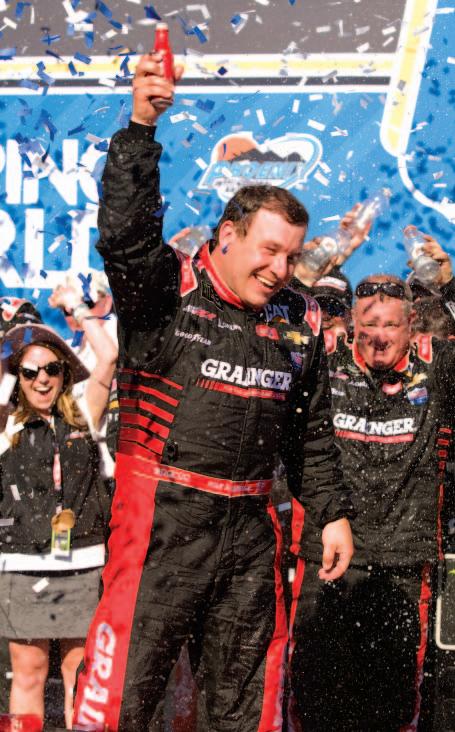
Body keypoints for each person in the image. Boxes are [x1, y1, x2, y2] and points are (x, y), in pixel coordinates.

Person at [73, 50, 354, 732]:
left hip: (252, 531)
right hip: (161, 521)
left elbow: (311, 432)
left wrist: (330, 514)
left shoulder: (299, 317)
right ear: (227, 235)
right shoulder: (163, 289)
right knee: (121, 700)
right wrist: (141, 128)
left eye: (292, 255)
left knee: (247, 708)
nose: (280, 268)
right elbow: (125, 234)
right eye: (268, 251)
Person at [290, 249, 455, 730]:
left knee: (392, 703)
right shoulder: (325, 358)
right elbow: (278, 324)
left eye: (391, 325)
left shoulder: (437, 366)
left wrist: (446, 285)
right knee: (314, 697)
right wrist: (309, 270)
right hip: (327, 556)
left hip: (402, 562)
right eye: (368, 324)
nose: (379, 337)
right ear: (351, 323)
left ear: (412, 327)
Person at [0, 312, 116, 728]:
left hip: (83, 562)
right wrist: (10, 351)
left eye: (52, 368)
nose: (42, 380)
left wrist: (78, 308)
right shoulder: (5, 423)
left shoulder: (84, 413)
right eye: (30, 372)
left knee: (79, 673)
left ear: (65, 373)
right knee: (29, 673)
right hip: (22, 564)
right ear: (17, 377)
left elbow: (108, 355)